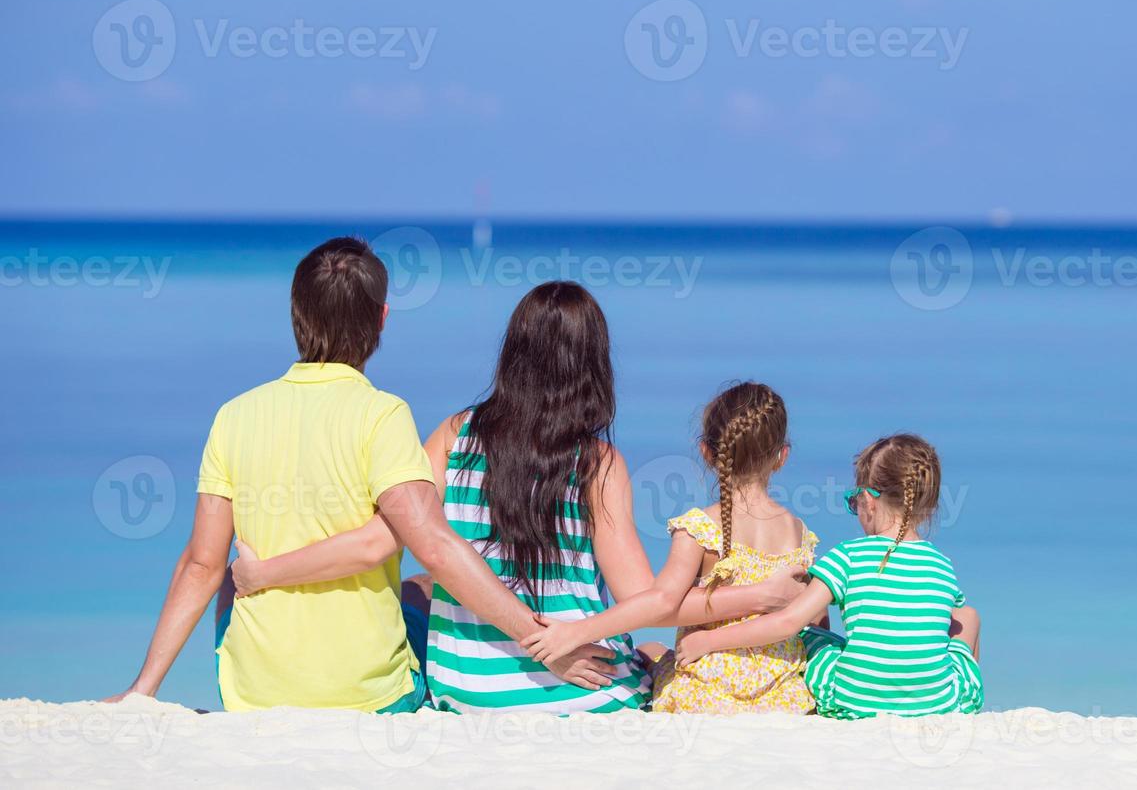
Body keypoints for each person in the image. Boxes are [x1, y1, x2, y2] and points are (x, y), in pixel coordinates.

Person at [231, 282, 805, 713]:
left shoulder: (454, 436)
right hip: (585, 690)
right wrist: (763, 595)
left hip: (468, 691)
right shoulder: (598, 464)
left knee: (417, 587)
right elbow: (650, 598)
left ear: (513, 353)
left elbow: (382, 539)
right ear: (594, 366)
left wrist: (264, 572)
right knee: (655, 650)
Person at [106, 237, 613, 712]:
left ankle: (187, 677)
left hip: (252, 696)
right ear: (382, 318)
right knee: (423, 585)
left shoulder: (234, 415)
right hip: (371, 695)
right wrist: (543, 644)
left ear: (296, 315)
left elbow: (199, 565)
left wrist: (141, 689)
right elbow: (433, 544)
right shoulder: (383, 415)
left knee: (220, 565)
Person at [524, 382, 819, 715]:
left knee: (649, 649)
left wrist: (578, 632)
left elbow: (662, 601)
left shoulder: (700, 528)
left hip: (708, 689)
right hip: (782, 695)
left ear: (708, 453)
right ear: (782, 457)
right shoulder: (800, 534)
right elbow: (814, 617)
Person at [675, 434, 984, 719]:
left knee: (809, 636)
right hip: (938, 704)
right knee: (968, 616)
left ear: (868, 501)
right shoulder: (943, 565)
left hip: (852, 699)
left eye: (854, 502)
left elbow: (787, 623)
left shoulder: (848, 556)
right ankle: (963, 711)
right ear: (926, 506)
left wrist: (709, 640)